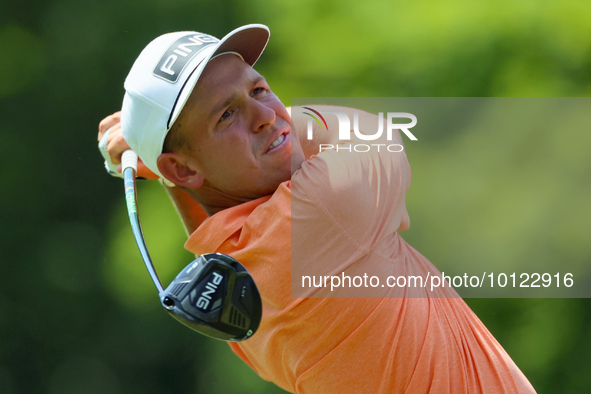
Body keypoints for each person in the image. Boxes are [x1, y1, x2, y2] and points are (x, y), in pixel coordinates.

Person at [98, 24, 536, 393]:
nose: (264, 114)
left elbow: (213, 226)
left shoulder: (231, 291)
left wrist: (165, 166)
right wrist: (276, 124)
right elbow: (378, 132)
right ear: (185, 168)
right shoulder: (325, 210)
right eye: (226, 115)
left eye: (258, 88)